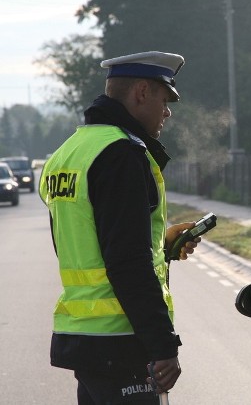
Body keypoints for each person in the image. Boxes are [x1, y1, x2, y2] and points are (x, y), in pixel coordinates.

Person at [39, 51, 201, 404]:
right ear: (142, 92)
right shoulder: (122, 154)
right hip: (123, 340)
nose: (168, 112)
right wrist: (162, 344)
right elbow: (127, 262)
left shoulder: (68, 153)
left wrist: (160, 241)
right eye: (165, 98)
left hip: (88, 342)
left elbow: (90, 238)